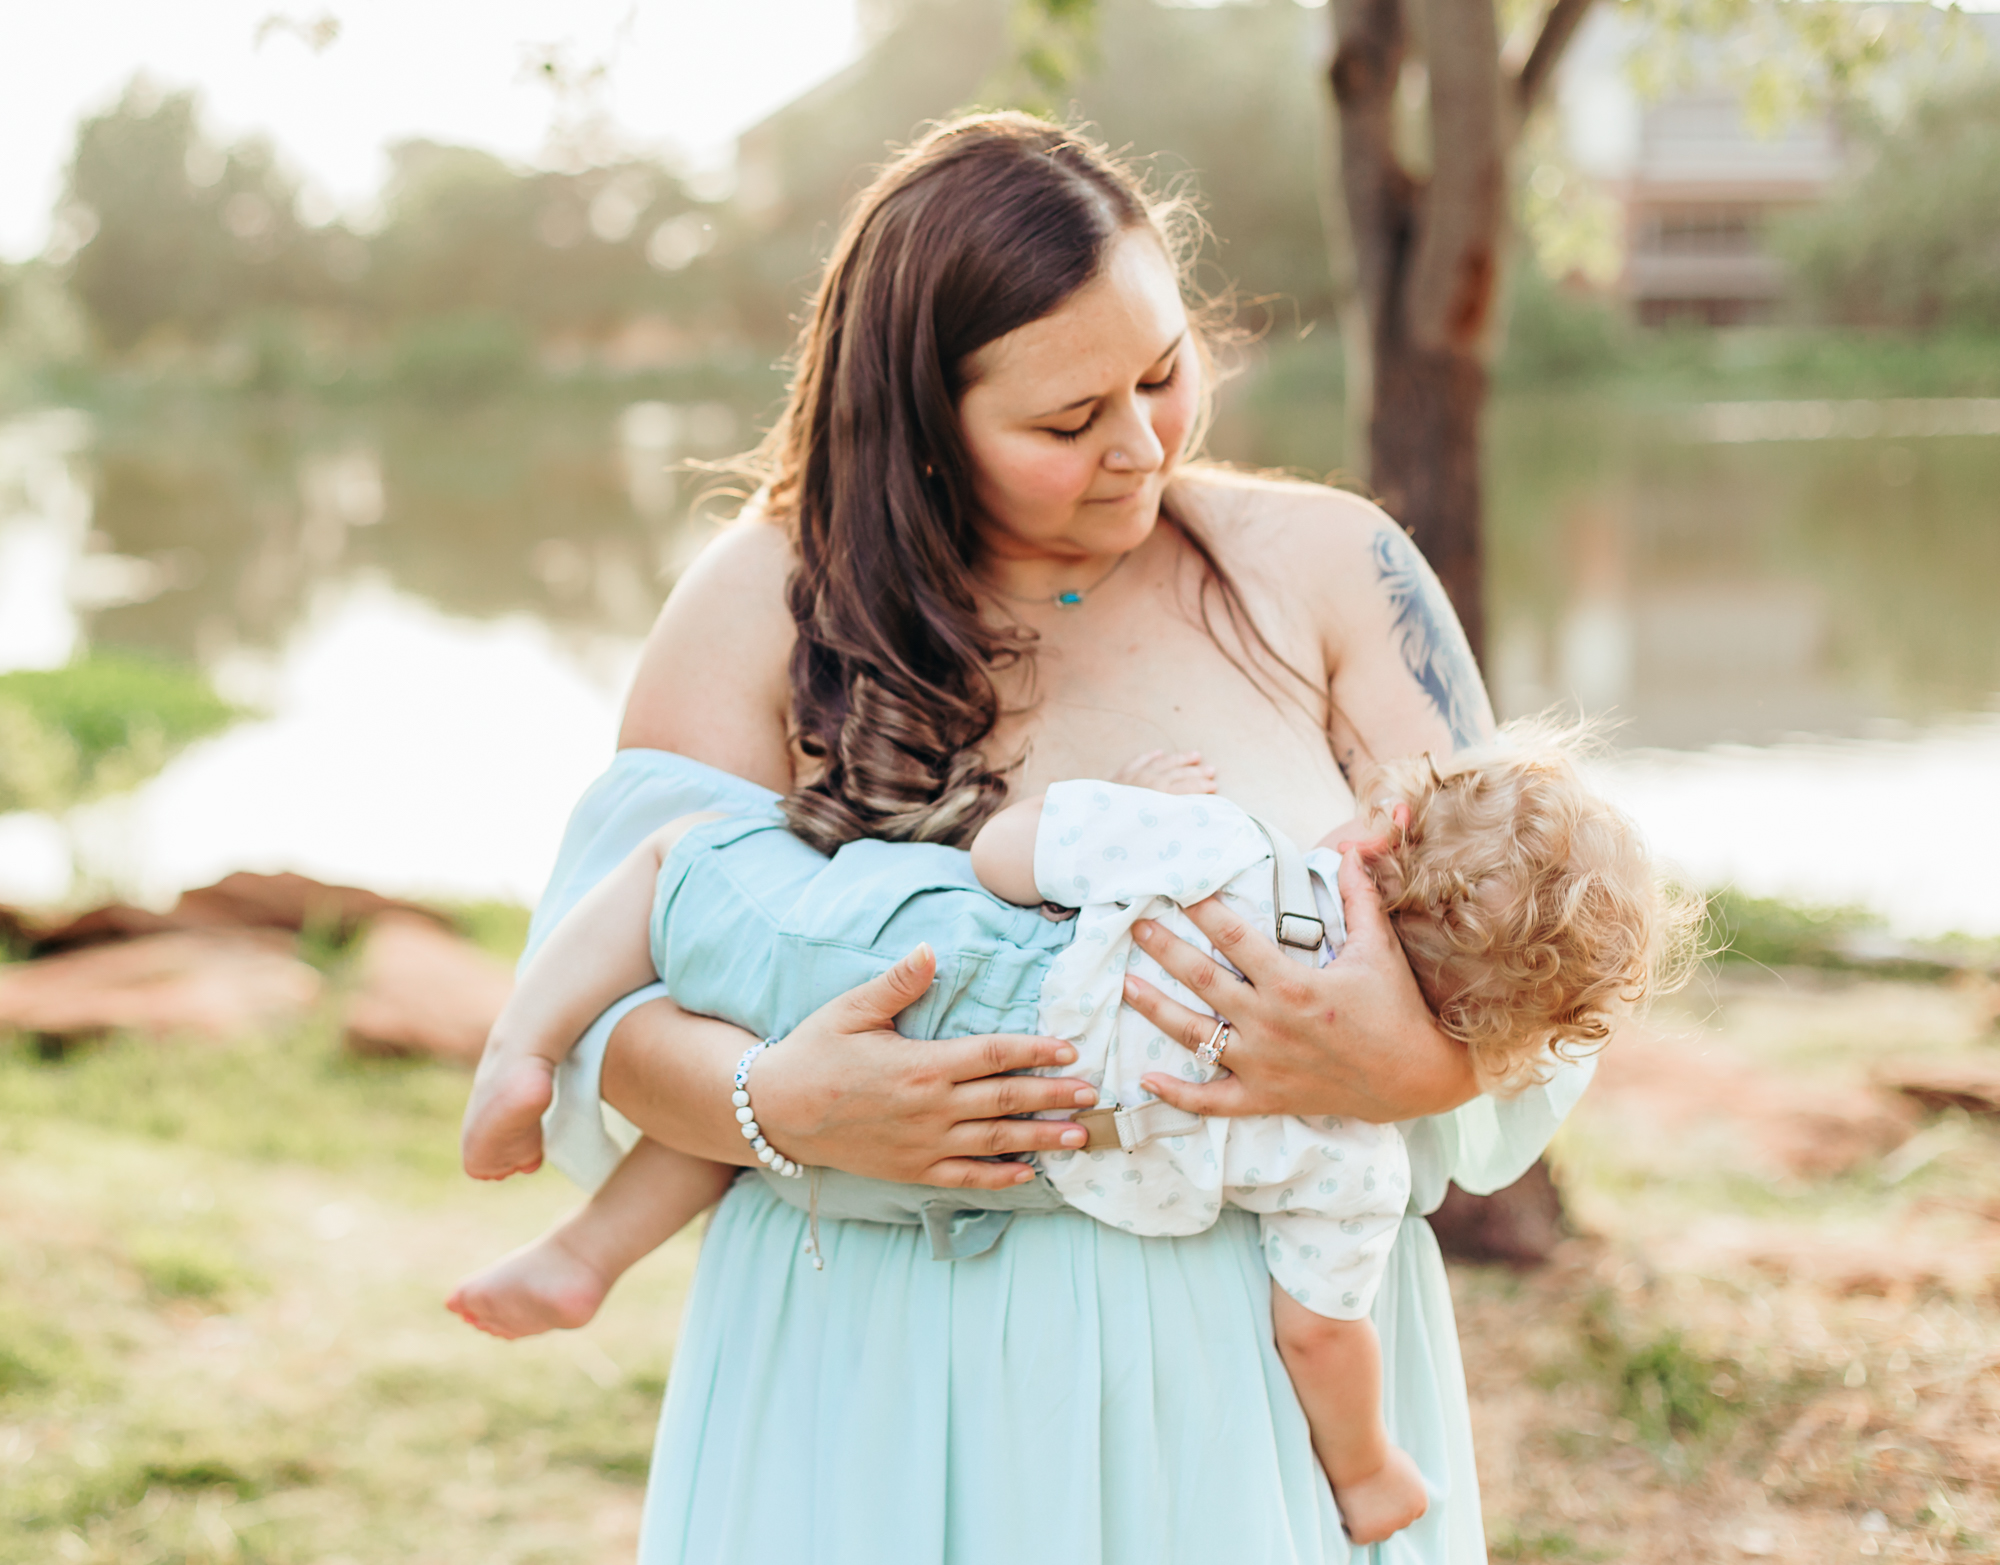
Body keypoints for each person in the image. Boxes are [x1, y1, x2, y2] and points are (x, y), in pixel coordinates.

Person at [474, 113, 1605, 1563]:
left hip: (1245, 1383)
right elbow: (612, 996)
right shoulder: (762, 601)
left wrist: (1399, 1062)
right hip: (871, 1360)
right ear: (919, 425)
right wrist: (779, 1101)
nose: (1138, 448)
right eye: (1067, 424)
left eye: (1162, 372)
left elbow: (1531, 955)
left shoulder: (1333, 574)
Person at [451, 722, 1689, 1543]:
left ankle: (524, 1063)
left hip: (927, 966)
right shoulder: (1348, 1153)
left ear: (1377, 831)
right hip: (1039, 1137)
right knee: (777, 1089)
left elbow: (1003, 853)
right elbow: (1319, 1330)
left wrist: (1126, 804)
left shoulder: (1220, 850)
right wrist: (1365, 1467)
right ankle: (577, 1252)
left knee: (677, 857)